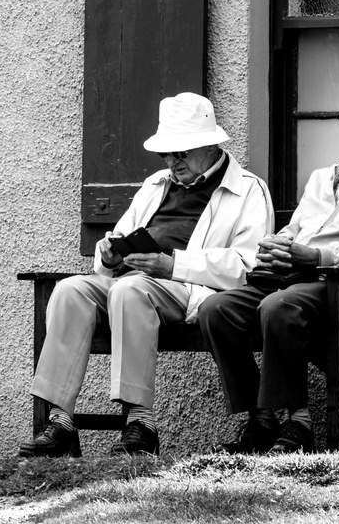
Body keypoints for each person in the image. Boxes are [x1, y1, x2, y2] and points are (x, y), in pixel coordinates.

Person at [19, 92, 273, 457]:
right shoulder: (157, 184)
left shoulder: (248, 189)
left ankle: (141, 423)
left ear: (210, 145)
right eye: (167, 153)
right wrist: (108, 255)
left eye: (181, 152)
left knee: (131, 290)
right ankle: (61, 423)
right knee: (70, 290)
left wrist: (173, 265)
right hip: (134, 282)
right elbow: (118, 244)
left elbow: (248, 267)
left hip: (190, 290)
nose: (172, 161)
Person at [197, 80, 339, 454]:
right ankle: (262, 418)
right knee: (216, 309)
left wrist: (318, 257)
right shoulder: (322, 178)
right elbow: (295, 231)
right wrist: (277, 246)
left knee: (279, 306)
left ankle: (299, 422)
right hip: (293, 280)